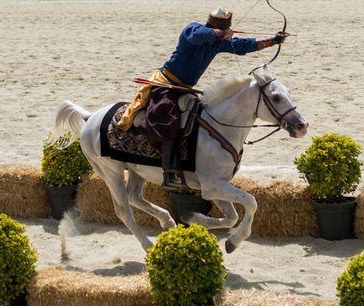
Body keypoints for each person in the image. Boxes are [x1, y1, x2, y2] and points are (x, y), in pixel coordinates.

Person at [117, 8, 288, 189]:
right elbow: (197, 35)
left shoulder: (218, 43)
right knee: (166, 121)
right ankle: (168, 172)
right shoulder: (193, 30)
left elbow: (243, 45)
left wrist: (273, 41)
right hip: (165, 84)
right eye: (221, 29)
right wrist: (219, 34)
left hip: (184, 89)